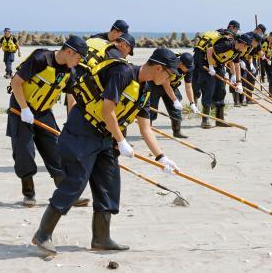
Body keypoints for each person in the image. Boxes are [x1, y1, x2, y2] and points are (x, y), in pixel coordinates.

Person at [32, 48, 181, 255]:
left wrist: (161, 157)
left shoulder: (145, 89)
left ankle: (101, 238)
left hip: (106, 137)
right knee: (75, 183)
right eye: (169, 74)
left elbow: (145, 128)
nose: (169, 79)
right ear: (158, 68)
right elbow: (107, 110)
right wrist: (121, 141)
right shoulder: (122, 73)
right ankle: (43, 234)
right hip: (82, 131)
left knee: (109, 184)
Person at [6, 36, 88, 207]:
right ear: (69, 51)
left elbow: (71, 99)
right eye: (79, 57)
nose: (79, 61)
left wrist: (71, 125)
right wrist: (24, 109)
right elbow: (16, 82)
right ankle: (28, 194)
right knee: (24, 152)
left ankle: (66, 194)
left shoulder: (70, 71)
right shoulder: (41, 59)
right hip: (21, 110)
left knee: (57, 151)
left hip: (44, 113)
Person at [194, 31, 251, 128]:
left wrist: (238, 81)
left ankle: (220, 120)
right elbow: (210, 50)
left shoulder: (238, 51)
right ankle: (205, 120)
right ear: (242, 43)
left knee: (221, 90)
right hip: (205, 64)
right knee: (209, 90)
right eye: (247, 46)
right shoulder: (227, 44)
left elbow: (236, 64)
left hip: (218, 65)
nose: (247, 48)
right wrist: (211, 67)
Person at [150, 53, 197, 138]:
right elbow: (165, 84)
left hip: (172, 86)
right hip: (155, 85)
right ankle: (147, 130)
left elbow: (188, 86)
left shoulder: (188, 69)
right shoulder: (170, 65)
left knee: (176, 110)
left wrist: (192, 103)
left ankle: (177, 131)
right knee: (151, 109)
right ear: (181, 63)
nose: (188, 69)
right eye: (187, 67)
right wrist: (175, 100)